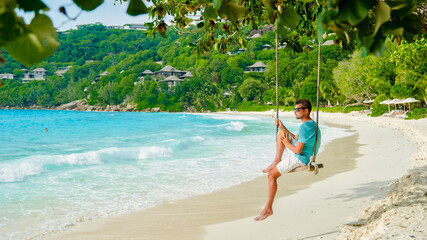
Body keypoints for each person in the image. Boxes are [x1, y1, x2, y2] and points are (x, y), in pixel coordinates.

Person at [255, 99, 321, 221]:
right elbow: (296, 138)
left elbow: (298, 150)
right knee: (281, 133)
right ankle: (276, 160)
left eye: (297, 109)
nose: (295, 111)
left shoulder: (304, 128)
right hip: (304, 154)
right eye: (294, 109)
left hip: (300, 158)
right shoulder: (310, 124)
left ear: (306, 111)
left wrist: (286, 142)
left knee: (271, 175)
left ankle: (268, 209)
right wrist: (282, 127)